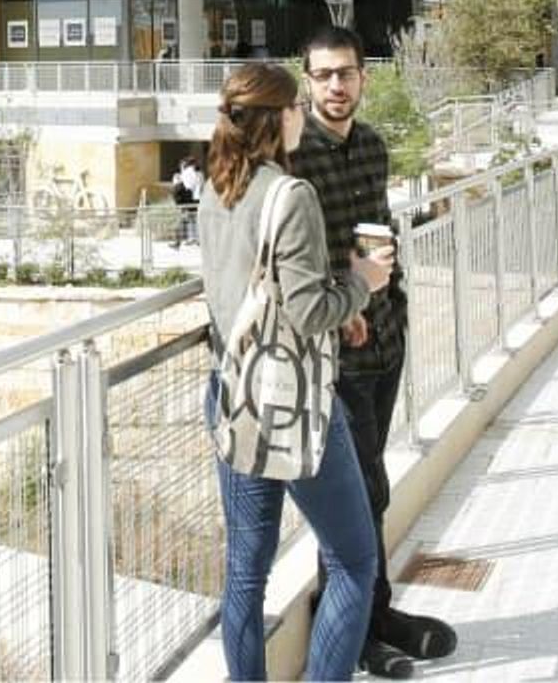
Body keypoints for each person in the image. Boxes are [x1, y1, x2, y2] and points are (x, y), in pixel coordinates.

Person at [199, 60, 388, 682]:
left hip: (231, 390)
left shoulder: (215, 189)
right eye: (298, 107)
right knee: (355, 561)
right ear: (281, 117)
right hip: (291, 404)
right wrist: (360, 286)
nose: (306, 113)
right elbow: (307, 312)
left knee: (246, 576)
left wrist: (336, 303)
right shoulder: (291, 193)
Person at [290, 27, 459, 679]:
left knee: (373, 491)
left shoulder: (372, 145)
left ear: (363, 77)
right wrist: (342, 310)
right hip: (333, 357)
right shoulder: (293, 154)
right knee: (354, 500)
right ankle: (356, 632)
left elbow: (378, 239)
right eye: (325, 74)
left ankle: (373, 614)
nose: (337, 86)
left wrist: (399, 313)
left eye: (347, 73)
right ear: (308, 81)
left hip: (382, 344)